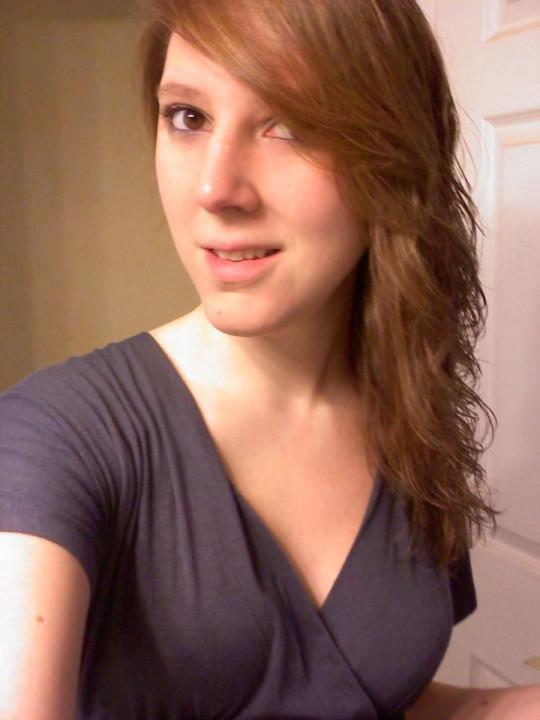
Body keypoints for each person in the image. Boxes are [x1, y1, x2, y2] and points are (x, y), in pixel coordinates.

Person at [0, 0, 539, 718]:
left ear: (397, 156)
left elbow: (384, 700)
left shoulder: (412, 416)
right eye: (188, 117)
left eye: (290, 122)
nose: (215, 190)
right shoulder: (52, 438)